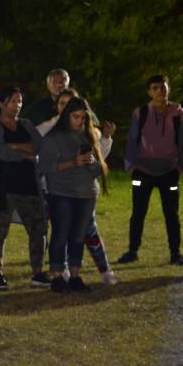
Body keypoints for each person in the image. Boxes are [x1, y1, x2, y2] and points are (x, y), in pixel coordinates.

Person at [37, 88, 120, 285]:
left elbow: (99, 168)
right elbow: (45, 166)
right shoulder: (50, 134)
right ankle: (59, 274)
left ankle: (77, 275)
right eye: (75, 116)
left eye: (83, 117)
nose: (80, 121)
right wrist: (72, 163)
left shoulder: (89, 134)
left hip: (86, 194)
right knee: (60, 233)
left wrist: (91, 162)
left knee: (80, 235)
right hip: (60, 192)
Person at [0, 87, 50, 290]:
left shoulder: (26, 125)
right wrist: (23, 151)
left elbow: (39, 147)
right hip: (2, 187)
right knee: (0, 231)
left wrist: (14, 146)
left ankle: (38, 271)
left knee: (38, 229)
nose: (17, 106)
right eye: (13, 101)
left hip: (28, 186)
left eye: (19, 101)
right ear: (1, 103)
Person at [119, 74, 183, 266]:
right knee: (138, 212)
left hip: (169, 172)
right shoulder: (140, 113)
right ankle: (132, 251)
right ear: (149, 92)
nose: (160, 91)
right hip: (142, 170)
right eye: (155, 88)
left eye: (163, 87)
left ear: (169, 89)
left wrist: (180, 167)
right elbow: (132, 141)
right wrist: (132, 167)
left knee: (172, 213)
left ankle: (175, 253)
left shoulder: (179, 113)